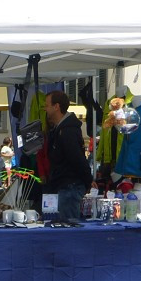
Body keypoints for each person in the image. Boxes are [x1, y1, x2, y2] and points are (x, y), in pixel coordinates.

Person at [43, 90, 92, 221]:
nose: (45, 109)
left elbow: (77, 159)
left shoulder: (67, 131)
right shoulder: (60, 129)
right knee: (63, 227)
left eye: (47, 105)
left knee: (68, 229)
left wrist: (88, 181)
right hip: (64, 186)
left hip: (69, 187)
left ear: (56, 106)